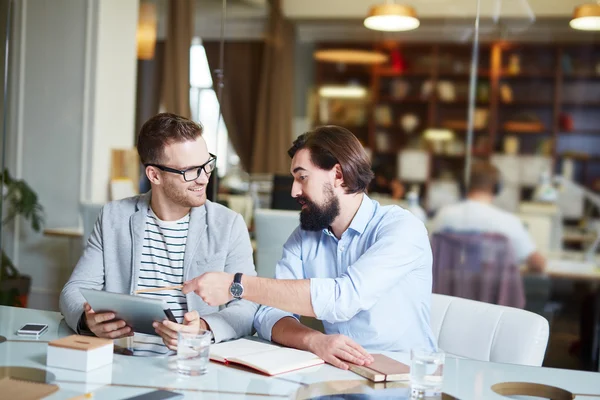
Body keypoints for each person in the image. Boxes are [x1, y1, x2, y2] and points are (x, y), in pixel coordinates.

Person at [182, 125, 437, 370]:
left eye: (302, 178)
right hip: (341, 376)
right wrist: (315, 341)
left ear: (338, 175)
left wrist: (236, 284)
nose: (294, 191)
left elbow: (343, 298)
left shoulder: (403, 229)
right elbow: (268, 314)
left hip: (405, 378)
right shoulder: (304, 237)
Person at [59, 113, 258, 354]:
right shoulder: (114, 217)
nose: (204, 178)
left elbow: (248, 305)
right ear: (154, 175)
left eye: (207, 165)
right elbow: (74, 289)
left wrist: (203, 328)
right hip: (121, 360)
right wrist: (87, 320)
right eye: (191, 171)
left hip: (193, 365)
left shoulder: (228, 224)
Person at [429, 160, 545, 272]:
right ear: (497, 187)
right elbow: (538, 264)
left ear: (462, 185)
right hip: (495, 292)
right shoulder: (508, 222)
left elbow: (427, 253)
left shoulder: (443, 215)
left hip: (447, 290)